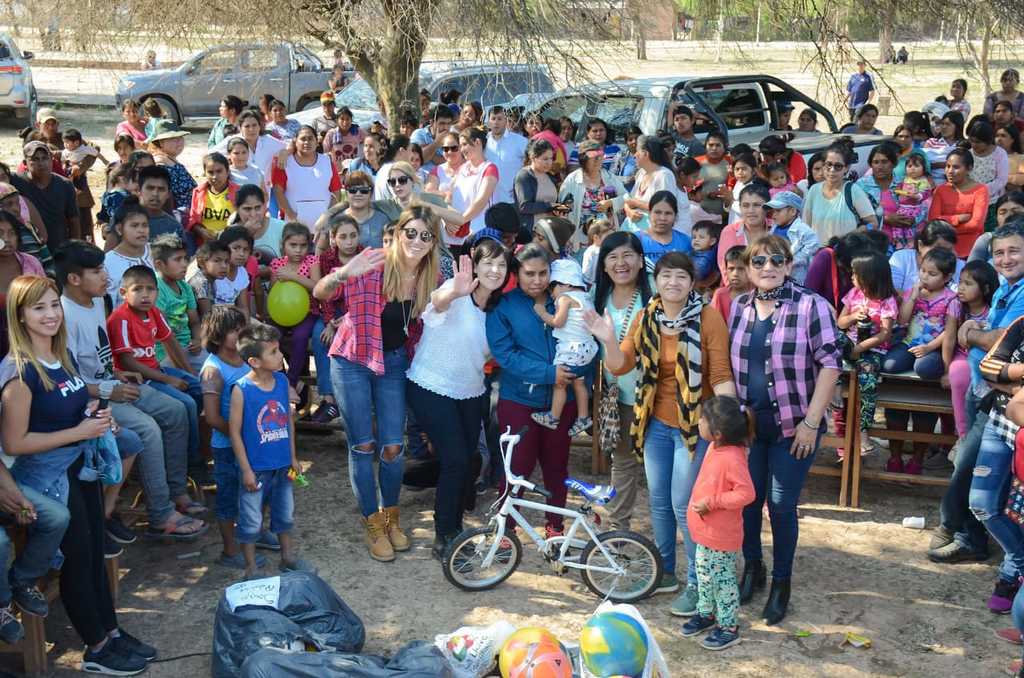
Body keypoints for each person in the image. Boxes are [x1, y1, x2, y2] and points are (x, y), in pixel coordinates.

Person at [0, 275, 155, 675]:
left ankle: (112, 631)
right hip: (50, 476)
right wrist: (79, 431)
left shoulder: (59, 355)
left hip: (79, 466)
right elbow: (15, 443)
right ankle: (96, 646)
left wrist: (95, 415)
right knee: (78, 560)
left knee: (94, 553)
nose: (50, 314)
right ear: (20, 315)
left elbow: (68, 405)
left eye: (53, 305)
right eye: (38, 308)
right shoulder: (19, 373)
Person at [586, 250, 735, 613]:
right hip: (654, 423)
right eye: (666, 275)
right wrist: (607, 338)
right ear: (657, 279)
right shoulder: (646, 316)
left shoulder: (708, 317)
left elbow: (719, 376)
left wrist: (729, 427)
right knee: (658, 502)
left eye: (681, 277)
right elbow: (621, 365)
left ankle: (701, 585)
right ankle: (665, 571)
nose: (672, 282)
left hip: (696, 426)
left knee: (684, 504)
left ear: (691, 283)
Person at [312, 205, 439, 561]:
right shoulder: (373, 262)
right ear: (398, 234)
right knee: (363, 446)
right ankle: (372, 521)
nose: (416, 241)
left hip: (393, 362)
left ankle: (391, 517)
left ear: (433, 243)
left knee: (393, 447)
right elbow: (321, 294)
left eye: (425, 235)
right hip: (352, 359)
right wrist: (341, 275)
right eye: (410, 232)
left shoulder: (430, 277)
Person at [56, 240, 204, 540]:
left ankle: (176, 491)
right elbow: (67, 381)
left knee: (177, 410)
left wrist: (119, 374)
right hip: (92, 400)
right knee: (148, 430)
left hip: (116, 383)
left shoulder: (96, 301)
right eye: (97, 271)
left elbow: (102, 357)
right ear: (74, 278)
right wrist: (109, 390)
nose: (105, 277)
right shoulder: (62, 316)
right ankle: (160, 514)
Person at [728, 235, 841, 625]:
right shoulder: (740, 307)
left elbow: (830, 364)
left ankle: (781, 583)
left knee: (780, 505)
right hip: (750, 428)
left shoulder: (813, 306)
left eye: (776, 260)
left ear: (790, 264)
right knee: (746, 501)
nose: (767, 267)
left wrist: (812, 423)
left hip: (795, 427)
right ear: (748, 268)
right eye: (758, 261)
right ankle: (753, 569)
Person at [928, 221, 1024, 586]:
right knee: (970, 468)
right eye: (999, 252)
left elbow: (1003, 337)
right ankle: (974, 537)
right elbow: (995, 339)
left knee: (971, 469)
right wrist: (978, 337)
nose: (1005, 258)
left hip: (1005, 399)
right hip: (982, 390)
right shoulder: (1004, 289)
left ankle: (963, 532)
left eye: (1013, 250)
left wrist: (973, 333)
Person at [406, 242, 510, 556]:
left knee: (469, 460)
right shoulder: (456, 291)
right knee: (456, 460)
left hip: (470, 390)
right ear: (475, 266)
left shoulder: (499, 311)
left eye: (502, 266)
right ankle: (445, 536)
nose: (495, 270)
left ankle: (449, 518)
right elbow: (434, 305)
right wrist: (454, 291)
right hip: (430, 385)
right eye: (489, 263)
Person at [486, 244, 581, 539]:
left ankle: (555, 528)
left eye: (543, 273)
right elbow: (505, 355)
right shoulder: (503, 306)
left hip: (562, 401)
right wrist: (549, 373)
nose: (537, 280)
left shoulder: (564, 302)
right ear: (516, 273)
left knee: (557, 467)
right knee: (516, 468)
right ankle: (505, 531)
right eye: (529, 274)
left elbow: (582, 341)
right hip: (519, 401)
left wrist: (578, 374)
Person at [108, 265, 206, 487]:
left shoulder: (153, 312)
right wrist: (168, 379)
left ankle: (190, 448)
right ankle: (192, 462)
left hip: (157, 369)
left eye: (150, 289)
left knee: (198, 388)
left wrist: (188, 374)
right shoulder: (120, 318)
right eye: (138, 289)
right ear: (124, 293)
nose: (145, 295)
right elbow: (126, 361)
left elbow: (169, 341)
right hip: (140, 377)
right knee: (186, 404)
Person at [229, 323, 311, 578]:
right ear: (254, 360)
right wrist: (246, 470)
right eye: (274, 352)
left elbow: (288, 421)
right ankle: (251, 567)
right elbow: (234, 431)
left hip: (282, 466)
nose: (280, 356)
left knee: (284, 514)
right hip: (256, 469)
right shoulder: (241, 389)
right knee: (251, 520)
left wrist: (294, 458)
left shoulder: (281, 381)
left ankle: (287, 557)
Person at [680, 396, 755, 651]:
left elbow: (746, 494)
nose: (699, 422)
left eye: (703, 419)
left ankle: (728, 627)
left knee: (723, 582)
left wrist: (712, 502)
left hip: (721, 536)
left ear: (719, 432)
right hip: (704, 532)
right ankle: (706, 613)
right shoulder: (715, 448)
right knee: (704, 575)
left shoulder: (732, 457)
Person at [199, 306, 271, 570]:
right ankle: (230, 550)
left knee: (258, 491)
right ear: (217, 337)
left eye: (243, 328)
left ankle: (256, 532)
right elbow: (211, 417)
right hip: (228, 448)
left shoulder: (245, 359)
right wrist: (239, 434)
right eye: (235, 330)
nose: (242, 334)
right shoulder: (213, 371)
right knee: (229, 497)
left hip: (255, 442)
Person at [590, 233, 652, 531]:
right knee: (623, 463)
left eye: (627, 255)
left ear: (641, 261)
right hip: (618, 398)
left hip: (653, 397)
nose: (621, 263)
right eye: (612, 257)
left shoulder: (654, 296)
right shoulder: (597, 298)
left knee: (658, 468)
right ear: (603, 265)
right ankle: (618, 531)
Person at [836, 252, 899, 455]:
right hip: (849, 344)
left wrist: (859, 349)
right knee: (829, 346)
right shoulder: (854, 294)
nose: (852, 278)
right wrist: (854, 316)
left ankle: (863, 431)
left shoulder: (887, 301)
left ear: (870, 277)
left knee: (868, 382)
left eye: (856, 274)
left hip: (872, 350)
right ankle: (834, 391)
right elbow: (840, 322)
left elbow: (885, 335)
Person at [530, 259, 597, 436]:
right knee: (579, 383)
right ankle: (583, 417)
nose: (551, 293)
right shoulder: (586, 297)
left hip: (571, 349)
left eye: (552, 287)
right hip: (587, 348)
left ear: (566, 283)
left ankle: (553, 416)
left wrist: (542, 312)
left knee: (559, 382)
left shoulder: (565, 298)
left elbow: (557, 322)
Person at [308, 213, 362, 424]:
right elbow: (325, 294)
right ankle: (329, 400)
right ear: (333, 238)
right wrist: (331, 322)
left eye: (353, 236)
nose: (349, 242)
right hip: (332, 312)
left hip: (358, 312)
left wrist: (348, 319)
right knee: (319, 335)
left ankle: (352, 399)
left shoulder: (364, 256)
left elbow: (366, 293)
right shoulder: (326, 259)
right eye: (343, 237)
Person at [943, 260, 998, 440]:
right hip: (961, 354)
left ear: (985, 288)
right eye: (960, 282)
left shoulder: (993, 310)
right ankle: (963, 436)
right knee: (958, 376)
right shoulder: (955, 305)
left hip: (985, 356)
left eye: (968, 284)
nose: (961, 288)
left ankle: (983, 433)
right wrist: (945, 370)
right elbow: (950, 338)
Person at [270, 222, 321, 402]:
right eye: (293, 245)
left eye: (303, 246)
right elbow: (274, 293)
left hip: (308, 311)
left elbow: (316, 287)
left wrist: (293, 276)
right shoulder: (277, 264)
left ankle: (291, 382)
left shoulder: (312, 261)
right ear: (283, 245)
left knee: (299, 338)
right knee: (271, 337)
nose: (298, 250)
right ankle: (281, 378)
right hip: (281, 314)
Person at [802, 143, 878, 242]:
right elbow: (806, 225)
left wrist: (849, 237)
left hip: (844, 252)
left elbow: (873, 224)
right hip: (817, 253)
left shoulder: (853, 190)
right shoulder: (814, 190)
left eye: (838, 166)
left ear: (846, 168)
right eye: (828, 164)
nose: (832, 170)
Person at [272, 125, 342, 227]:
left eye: (310, 138)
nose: (307, 142)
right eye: (303, 139)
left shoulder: (327, 161)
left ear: (316, 141)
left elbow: (336, 191)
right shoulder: (284, 162)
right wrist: (291, 216)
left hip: (323, 226)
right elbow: (278, 192)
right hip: (293, 225)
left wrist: (328, 215)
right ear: (295, 142)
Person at [11, 141, 78, 247]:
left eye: (45, 158)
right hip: (27, 249)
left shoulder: (65, 184)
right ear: (25, 163)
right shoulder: (15, 182)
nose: (41, 163)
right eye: (35, 159)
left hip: (58, 249)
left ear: (52, 160)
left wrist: (74, 249)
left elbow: (74, 220)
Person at [558, 140, 627, 240]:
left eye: (600, 156)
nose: (598, 160)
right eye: (594, 158)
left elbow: (627, 197)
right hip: (580, 237)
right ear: (583, 159)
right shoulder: (572, 180)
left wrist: (611, 202)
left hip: (607, 235)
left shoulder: (609, 177)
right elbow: (562, 209)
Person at [928, 148, 988, 258]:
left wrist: (944, 225)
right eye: (948, 166)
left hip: (972, 252)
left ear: (969, 169)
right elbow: (933, 221)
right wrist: (958, 219)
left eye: (956, 167)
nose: (950, 171)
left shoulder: (980, 191)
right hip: (943, 251)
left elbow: (976, 225)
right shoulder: (940, 190)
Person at [624, 135, 690, 234]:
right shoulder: (641, 173)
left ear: (645, 154)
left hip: (657, 233)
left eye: (637, 151)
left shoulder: (664, 175)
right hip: (637, 229)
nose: (634, 155)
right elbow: (629, 200)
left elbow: (666, 207)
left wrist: (637, 203)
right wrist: (629, 211)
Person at [448, 126, 499, 251]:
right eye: (460, 145)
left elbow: (481, 201)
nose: (462, 149)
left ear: (477, 142)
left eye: (464, 144)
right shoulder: (461, 169)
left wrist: (460, 220)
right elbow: (449, 197)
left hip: (479, 234)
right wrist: (448, 220)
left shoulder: (490, 169)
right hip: (454, 234)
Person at [890, 219, 965, 292]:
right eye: (938, 249)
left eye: (948, 250)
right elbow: (893, 294)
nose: (943, 255)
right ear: (920, 245)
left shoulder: (958, 266)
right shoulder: (901, 258)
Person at [762, 191, 818, 284]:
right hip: (777, 272)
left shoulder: (801, 228)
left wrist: (795, 260)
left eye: (778, 211)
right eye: (772, 211)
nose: (774, 215)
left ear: (792, 211)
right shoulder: (774, 227)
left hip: (796, 275)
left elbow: (814, 243)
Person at [717, 183, 771, 278]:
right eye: (745, 206)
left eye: (757, 205)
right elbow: (725, 269)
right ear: (740, 207)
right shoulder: (730, 231)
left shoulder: (776, 229)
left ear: (767, 207)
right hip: (737, 289)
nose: (751, 210)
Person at [147, 120, 196, 219]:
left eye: (180, 137)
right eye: (173, 139)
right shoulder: (161, 165)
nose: (179, 142)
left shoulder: (171, 161)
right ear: (161, 143)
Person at [187, 152, 238, 244]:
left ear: (227, 172)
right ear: (205, 173)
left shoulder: (238, 192)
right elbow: (193, 220)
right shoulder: (199, 192)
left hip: (231, 243)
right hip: (205, 244)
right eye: (210, 172)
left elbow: (244, 220)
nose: (215, 176)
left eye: (219, 171)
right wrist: (201, 231)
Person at [636, 191, 693, 272]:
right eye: (657, 212)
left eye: (668, 213)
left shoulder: (686, 242)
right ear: (649, 213)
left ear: (676, 216)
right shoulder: (636, 241)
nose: (662, 218)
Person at [514, 139, 562, 231]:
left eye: (551, 158)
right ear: (533, 158)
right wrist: (550, 206)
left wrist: (563, 207)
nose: (549, 162)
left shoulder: (550, 177)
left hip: (550, 230)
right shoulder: (524, 176)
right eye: (545, 159)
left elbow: (554, 204)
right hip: (531, 232)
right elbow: (524, 206)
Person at [486, 106, 529, 205]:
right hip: (488, 201)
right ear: (488, 122)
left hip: (513, 200)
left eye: (500, 119)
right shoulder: (483, 142)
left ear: (506, 121)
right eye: (493, 118)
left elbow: (531, 161)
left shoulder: (519, 141)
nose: (496, 122)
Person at [695, 131, 731, 218]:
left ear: (724, 147)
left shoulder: (732, 162)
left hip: (726, 217)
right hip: (699, 216)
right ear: (705, 146)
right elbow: (687, 189)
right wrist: (705, 194)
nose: (714, 148)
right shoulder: (695, 162)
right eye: (711, 145)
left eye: (718, 145)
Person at [711, 245, 752, 322]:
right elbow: (714, 323)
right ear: (725, 270)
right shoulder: (720, 294)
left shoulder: (757, 294)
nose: (735, 274)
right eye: (731, 269)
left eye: (741, 269)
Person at [323, 106, 367, 170]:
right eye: (342, 119)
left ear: (351, 120)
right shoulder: (331, 134)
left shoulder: (358, 131)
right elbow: (326, 152)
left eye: (347, 119)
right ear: (337, 120)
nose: (345, 122)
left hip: (354, 169)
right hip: (337, 171)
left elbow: (370, 141)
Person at [410, 105, 454, 169]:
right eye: (442, 123)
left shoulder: (452, 138)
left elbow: (453, 161)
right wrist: (436, 143)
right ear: (432, 122)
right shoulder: (419, 134)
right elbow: (419, 159)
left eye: (449, 123)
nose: (446, 128)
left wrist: (432, 155)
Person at [689, 221, 720, 288]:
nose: (696, 240)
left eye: (701, 237)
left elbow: (696, 274)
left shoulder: (705, 259)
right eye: (694, 237)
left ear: (712, 241)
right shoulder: (698, 251)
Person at [997, 125, 1024, 191]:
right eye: (997, 136)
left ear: (1012, 140)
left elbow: (1021, 180)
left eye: (1003, 136)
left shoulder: (1021, 158)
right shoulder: (989, 157)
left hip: (1012, 198)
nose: (999, 139)